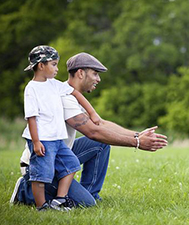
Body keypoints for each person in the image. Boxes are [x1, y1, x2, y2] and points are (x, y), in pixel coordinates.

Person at [10, 52, 168, 207]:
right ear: (80, 73)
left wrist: (136, 135)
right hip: (43, 159)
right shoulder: (63, 97)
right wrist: (137, 143)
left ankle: (90, 192)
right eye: (95, 74)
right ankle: (25, 189)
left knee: (101, 145)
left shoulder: (69, 93)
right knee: (86, 203)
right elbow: (93, 132)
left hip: (59, 155)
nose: (98, 79)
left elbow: (100, 124)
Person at [22, 46, 101, 211]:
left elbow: (76, 93)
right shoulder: (31, 89)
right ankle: (37, 203)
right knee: (42, 173)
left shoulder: (54, 85)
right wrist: (36, 142)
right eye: (54, 64)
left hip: (57, 139)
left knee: (71, 164)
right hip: (42, 139)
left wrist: (92, 113)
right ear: (41, 65)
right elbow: (31, 117)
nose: (58, 69)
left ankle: (59, 199)